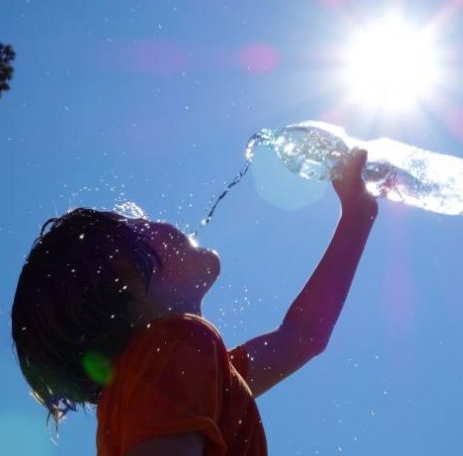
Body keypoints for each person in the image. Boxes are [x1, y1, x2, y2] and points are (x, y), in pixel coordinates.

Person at [11, 149, 378, 456]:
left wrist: (358, 216)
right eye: (139, 224)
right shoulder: (172, 347)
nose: (158, 221)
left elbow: (303, 336)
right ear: (127, 276)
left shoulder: (181, 374)